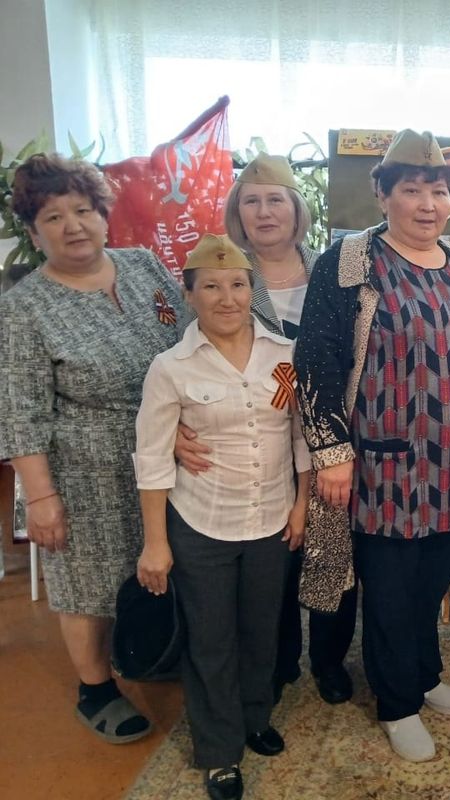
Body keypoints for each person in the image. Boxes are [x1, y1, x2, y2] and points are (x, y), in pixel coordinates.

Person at [294, 129, 450, 763]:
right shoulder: (350, 263)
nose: (427, 204)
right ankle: (396, 702)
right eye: (412, 190)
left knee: (435, 580)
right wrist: (332, 450)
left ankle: (423, 672)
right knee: (390, 590)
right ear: (383, 193)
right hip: (387, 463)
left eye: (438, 191)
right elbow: (316, 359)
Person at [0, 153, 186, 744]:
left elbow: (189, 336)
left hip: (170, 451)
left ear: (104, 216)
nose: (73, 225)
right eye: (53, 217)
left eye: (82, 210)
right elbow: (20, 410)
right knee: (88, 582)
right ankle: (96, 687)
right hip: (85, 469)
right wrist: (41, 498)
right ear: (34, 234)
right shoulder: (23, 308)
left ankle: (154, 650)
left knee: (162, 562)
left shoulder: (143, 265)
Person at [175, 153, 357, 706]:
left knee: (332, 550)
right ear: (238, 213)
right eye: (250, 201)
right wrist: (175, 427)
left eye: (275, 199)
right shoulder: (225, 274)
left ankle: (328, 658)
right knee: (273, 560)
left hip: (331, 436)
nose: (264, 211)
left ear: (297, 209)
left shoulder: (333, 270)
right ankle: (276, 663)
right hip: (256, 444)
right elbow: (180, 358)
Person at [135, 234, 310, 800]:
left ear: (250, 290)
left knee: (262, 631)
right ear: (189, 295)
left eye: (237, 284)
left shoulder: (284, 353)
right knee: (211, 640)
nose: (226, 297)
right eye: (210, 286)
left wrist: (302, 504)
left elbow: (301, 436)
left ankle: (254, 717)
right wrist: (156, 543)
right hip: (201, 523)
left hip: (271, 518)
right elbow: (153, 458)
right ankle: (218, 751)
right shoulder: (171, 367)